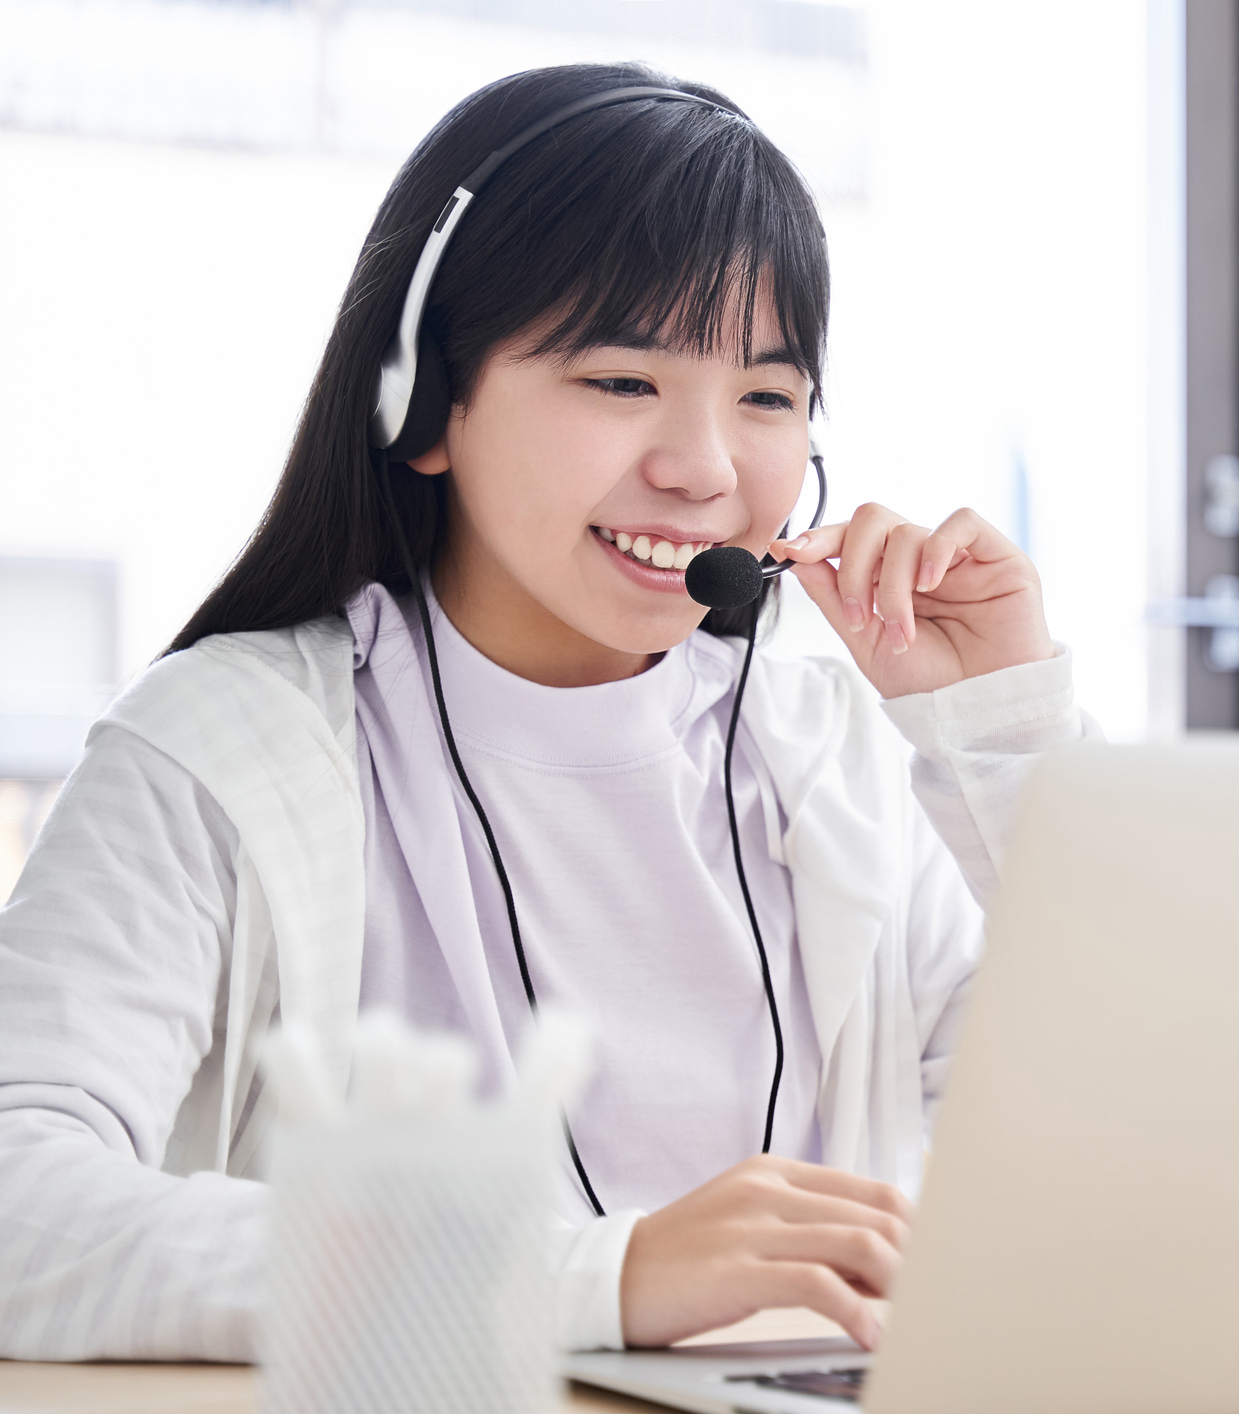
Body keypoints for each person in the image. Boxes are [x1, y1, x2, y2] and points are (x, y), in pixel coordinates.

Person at [0, 62, 1092, 1361]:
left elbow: (1143, 1154)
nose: (701, 468)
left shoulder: (832, 751)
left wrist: (1004, 741)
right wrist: (596, 1272)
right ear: (422, 407)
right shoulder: (212, 753)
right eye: (622, 382)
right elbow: (22, 1201)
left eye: (764, 396)